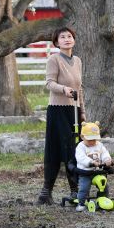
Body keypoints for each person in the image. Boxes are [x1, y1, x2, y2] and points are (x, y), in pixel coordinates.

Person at [37, 26, 86, 205]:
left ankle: (75, 190)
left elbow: (80, 89)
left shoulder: (78, 61)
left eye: (69, 36)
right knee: (58, 149)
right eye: (62, 37)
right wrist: (63, 89)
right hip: (57, 110)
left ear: (74, 40)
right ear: (56, 42)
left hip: (73, 111)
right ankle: (46, 193)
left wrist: (82, 112)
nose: (67, 39)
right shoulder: (54, 59)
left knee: (75, 149)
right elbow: (49, 83)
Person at [73, 122, 112, 212]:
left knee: (104, 185)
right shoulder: (80, 147)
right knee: (84, 188)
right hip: (86, 173)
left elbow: (104, 153)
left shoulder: (99, 145)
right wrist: (91, 162)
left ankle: (103, 199)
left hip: (97, 172)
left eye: (94, 139)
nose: (92, 142)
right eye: (89, 140)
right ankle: (81, 203)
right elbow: (81, 158)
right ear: (82, 137)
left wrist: (107, 160)